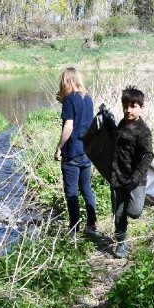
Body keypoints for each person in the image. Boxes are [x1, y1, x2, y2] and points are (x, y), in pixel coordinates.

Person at [109, 87, 153, 258]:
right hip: (118, 177)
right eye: (126, 106)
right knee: (119, 213)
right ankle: (121, 243)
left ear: (141, 107)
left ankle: (143, 198)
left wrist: (136, 177)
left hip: (135, 180)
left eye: (133, 106)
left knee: (134, 212)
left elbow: (148, 155)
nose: (128, 110)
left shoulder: (143, 131)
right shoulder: (121, 123)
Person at [54, 67, 98, 235]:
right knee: (86, 189)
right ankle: (92, 225)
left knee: (71, 191)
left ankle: (74, 227)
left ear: (66, 81)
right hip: (87, 150)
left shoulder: (69, 99)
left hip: (72, 151)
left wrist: (59, 148)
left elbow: (69, 126)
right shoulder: (87, 98)